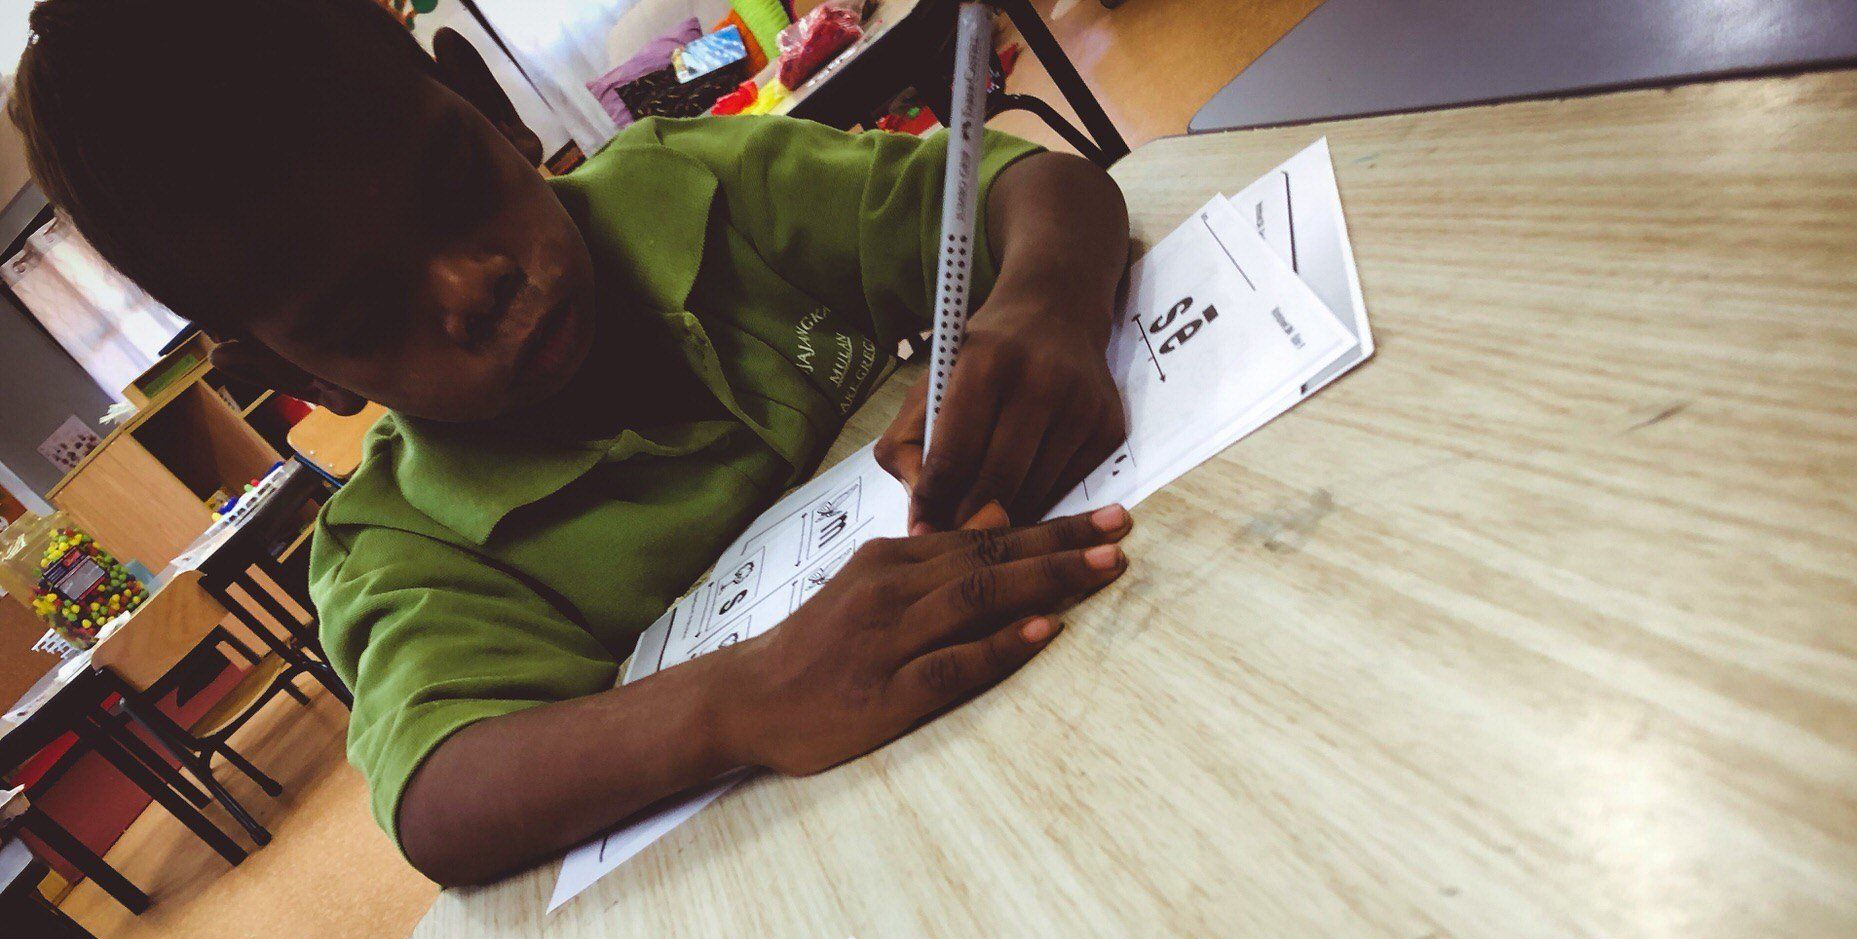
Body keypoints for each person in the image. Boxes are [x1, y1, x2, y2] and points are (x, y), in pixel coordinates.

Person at [10, 0, 1134, 884]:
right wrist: (744, 697)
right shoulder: (401, 551)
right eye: (362, 316)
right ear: (296, 376)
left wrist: (1038, 299)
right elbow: (440, 799)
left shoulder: (697, 182)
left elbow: (1040, 192)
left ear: (492, 106)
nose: (472, 284)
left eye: (457, 186)